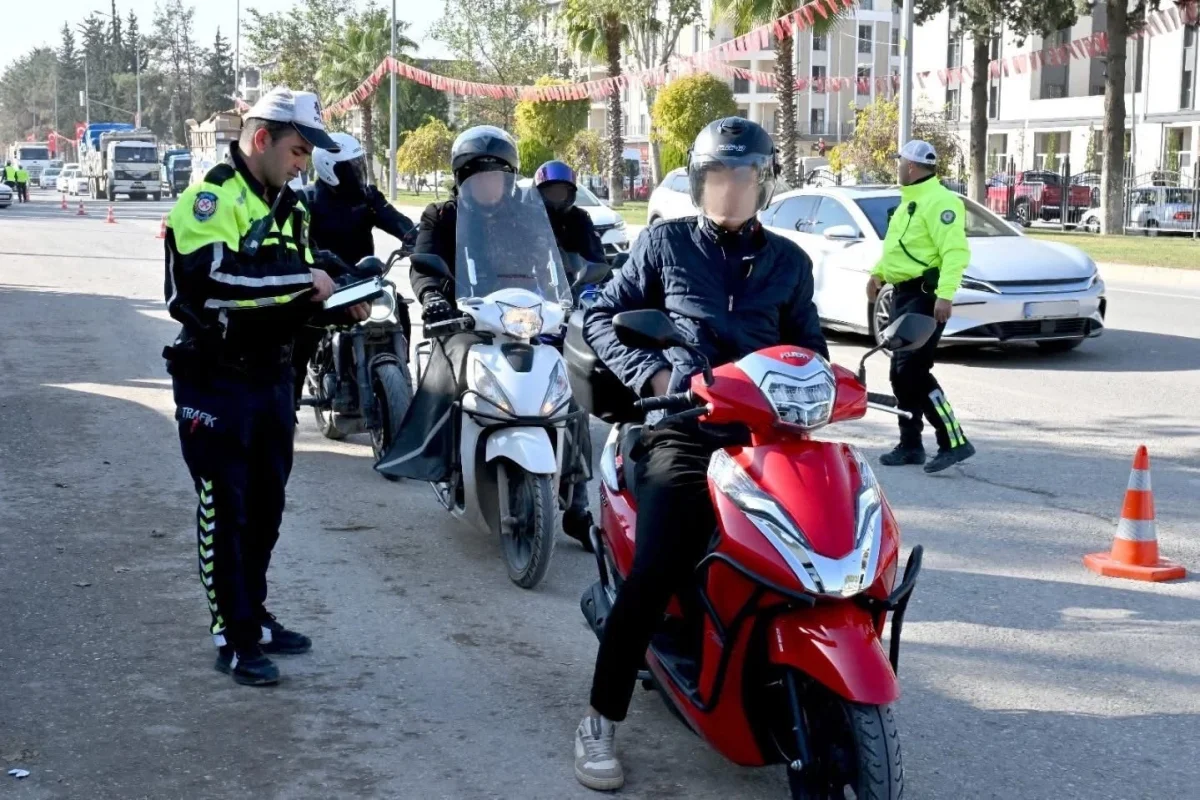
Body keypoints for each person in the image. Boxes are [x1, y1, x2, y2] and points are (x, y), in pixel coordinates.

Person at [572, 116, 828, 791]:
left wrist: (828, 386)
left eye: (744, 176)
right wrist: (653, 377)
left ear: (764, 183)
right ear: (699, 181)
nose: (731, 190)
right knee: (657, 566)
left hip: (768, 435)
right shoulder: (663, 244)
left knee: (822, 549)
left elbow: (811, 349)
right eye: (719, 176)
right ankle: (600, 717)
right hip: (681, 430)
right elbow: (600, 313)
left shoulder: (790, 263)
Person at [162, 87, 369, 687]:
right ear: (262, 140)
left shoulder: (294, 209)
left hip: (275, 379)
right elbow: (214, 281)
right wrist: (309, 280)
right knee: (224, 512)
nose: (305, 164)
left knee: (266, 509)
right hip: (216, 383)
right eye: (299, 150)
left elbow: (292, 298)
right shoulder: (208, 199)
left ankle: (251, 610)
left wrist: (345, 296)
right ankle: (233, 636)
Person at [375, 125, 563, 484]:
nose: (488, 184)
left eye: (496, 177)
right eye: (479, 177)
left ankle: (575, 498)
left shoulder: (525, 216)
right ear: (462, 178)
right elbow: (423, 262)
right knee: (453, 366)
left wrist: (567, 288)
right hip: (463, 321)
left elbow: (551, 262)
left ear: (509, 180)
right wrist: (432, 298)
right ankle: (439, 459)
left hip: (522, 319)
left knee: (563, 382)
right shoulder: (442, 216)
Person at [867, 139, 975, 474]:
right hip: (902, 295)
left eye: (900, 162)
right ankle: (910, 444)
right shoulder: (907, 203)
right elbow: (898, 249)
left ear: (911, 166)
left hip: (926, 296)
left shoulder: (940, 202)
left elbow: (955, 252)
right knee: (900, 372)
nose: (897, 166)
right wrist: (879, 274)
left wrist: (945, 295)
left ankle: (953, 440)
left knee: (912, 370)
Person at [291, 131, 418, 410]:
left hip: (365, 279)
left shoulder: (367, 197)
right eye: (351, 168)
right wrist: (317, 262)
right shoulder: (306, 201)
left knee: (400, 308)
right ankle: (290, 397)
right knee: (302, 332)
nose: (357, 173)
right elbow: (299, 245)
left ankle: (400, 368)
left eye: (359, 165)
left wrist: (415, 238)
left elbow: (394, 220)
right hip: (328, 284)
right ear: (330, 169)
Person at [533, 159, 606, 544]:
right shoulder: (523, 218)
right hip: (520, 317)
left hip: (560, 318)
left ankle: (578, 506)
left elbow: (596, 262)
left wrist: (589, 291)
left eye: (562, 192)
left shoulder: (579, 221)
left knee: (575, 407)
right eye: (550, 192)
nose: (556, 199)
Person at [534, 160, 607, 267]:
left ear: (570, 194)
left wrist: (600, 272)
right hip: (531, 280)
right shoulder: (527, 218)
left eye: (561, 191)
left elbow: (596, 257)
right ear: (538, 193)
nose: (556, 195)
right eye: (550, 191)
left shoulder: (580, 218)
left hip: (575, 280)